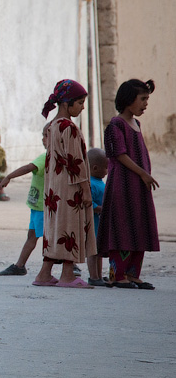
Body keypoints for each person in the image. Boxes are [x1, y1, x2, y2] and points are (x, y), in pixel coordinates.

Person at [32, 80, 96, 289]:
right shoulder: (68, 127)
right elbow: (75, 162)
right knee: (70, 228)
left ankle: (44, 274)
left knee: (56, 228)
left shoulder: (51, 126)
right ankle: (68, 275)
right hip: (70, 186)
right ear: (67, 103)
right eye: (79, 102)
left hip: (54, 188)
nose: (82, 107)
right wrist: (86, 190)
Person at [96, 79, 159, 290]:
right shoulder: (116, 124)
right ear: (128, 100)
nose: (145, 104)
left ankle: (132, 274)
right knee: (121, 228)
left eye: (147, 99)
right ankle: (117, 274)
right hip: (123, 185)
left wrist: (143, 176)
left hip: (138, 185)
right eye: (142, 99)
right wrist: (143, 173)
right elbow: (119, 154)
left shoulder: (136, 124)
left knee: (137, 227)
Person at [0, 128, 49, 276]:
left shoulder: (46, 157)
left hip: (42, 207)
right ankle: (19, 265)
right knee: (33, 236)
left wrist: (9, 177)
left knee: (48, 238)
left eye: (46, 136)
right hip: (37, 206)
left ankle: (69, 265)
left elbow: (28, 167)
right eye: (42, 135)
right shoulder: (51, 157)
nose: (43, 139)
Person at [86, 148, 108, 287]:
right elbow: (89, 203)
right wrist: (101, 209)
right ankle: (93, 276)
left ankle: (99, 276)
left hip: (100, 223)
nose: (107, 170)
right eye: (106, 167)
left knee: (98, 252)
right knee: (92, 252)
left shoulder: (100, 183)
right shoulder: (91, 183)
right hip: (93, 223)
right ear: (95, 168)